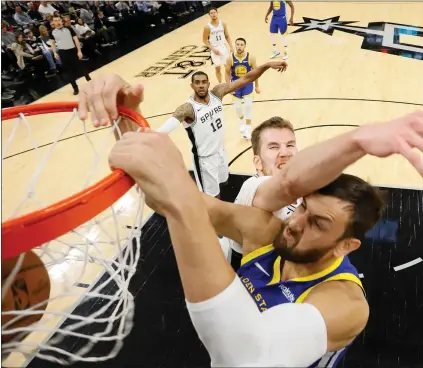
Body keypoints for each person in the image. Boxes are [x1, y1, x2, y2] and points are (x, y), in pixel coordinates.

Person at [79, 79, 423, 365]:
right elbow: (166, 199)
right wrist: (125, 117)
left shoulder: (345, 303)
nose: (295, 222)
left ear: (347, 246)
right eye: (302, 208)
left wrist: (177, 190)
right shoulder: (269, 232)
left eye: (318, 223)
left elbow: (247, 357)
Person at [226, 116, 301, 262]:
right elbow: (281, 189)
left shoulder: (297, 185)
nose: (285, 153)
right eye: (274, 147)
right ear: (258, 162)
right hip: (253, 273)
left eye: (290, 145)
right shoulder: (252, 186)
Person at [225, 37, 260, 140]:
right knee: (238, 108)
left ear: (245, 46)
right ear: (235, 45)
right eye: (237, 44)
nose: (239, 46)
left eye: (241, 45)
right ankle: (242, 121)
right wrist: (228, 86)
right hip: (236, 85)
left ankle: (248, 129)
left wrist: (257, 86)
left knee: (248, 106)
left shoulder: (251, 58)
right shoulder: (230, 58)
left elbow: (256, 72)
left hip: (247, 84)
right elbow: (227, 73)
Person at [49, 16, 91, 95]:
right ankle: (75, 87)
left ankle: (89, 80)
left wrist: (79, 51)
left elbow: (76, 40)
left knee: (80, 66)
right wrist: (54, 52)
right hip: (63, 52)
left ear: (61, 21)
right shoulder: (52, 32)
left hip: (73, 50)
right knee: (68, 71)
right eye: (55, 20)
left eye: (58, 20)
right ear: (53, 22)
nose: (57, 22)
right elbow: (52, 43)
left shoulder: (69, 28)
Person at [202, 7, 233, 83]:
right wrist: (213, 49)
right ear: (209, 15)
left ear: (217, 13)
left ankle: (229, 84)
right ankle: (220, 84)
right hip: (215, 49)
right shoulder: (207, 27)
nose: (213, 14)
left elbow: (227, 36)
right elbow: (205, 40)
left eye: (214, 12)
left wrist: (231, 46)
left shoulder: (223, 24)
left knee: (227, 67)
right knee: (218, 68)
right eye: (211, 13)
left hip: (223, 47)